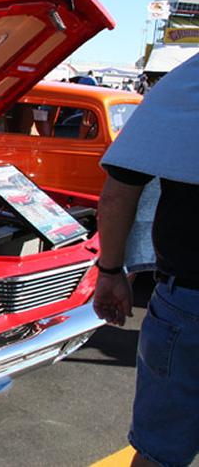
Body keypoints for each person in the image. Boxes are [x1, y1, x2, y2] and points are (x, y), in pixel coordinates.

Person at [94, 51, 199, 467]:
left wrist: (110, 271)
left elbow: (117, 194)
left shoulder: (187, 84)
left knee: (159, 453)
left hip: (189, 300)